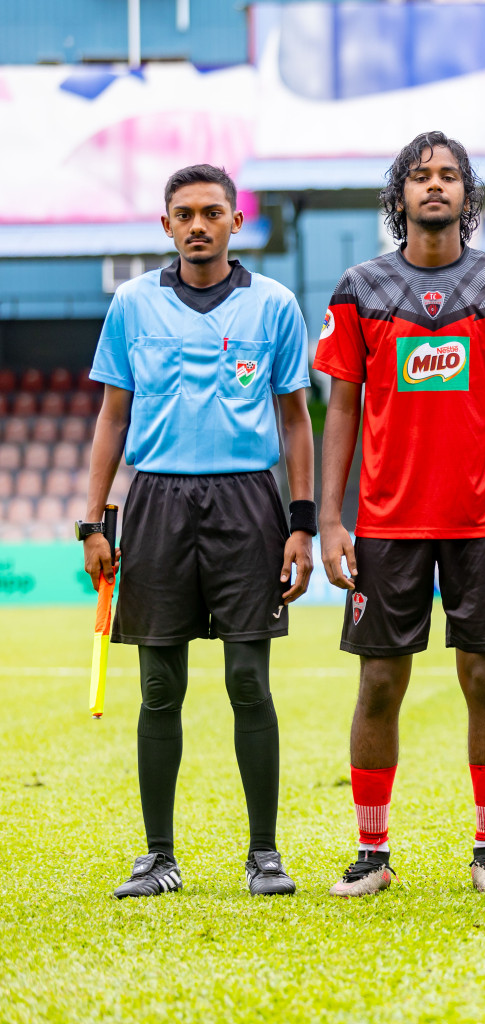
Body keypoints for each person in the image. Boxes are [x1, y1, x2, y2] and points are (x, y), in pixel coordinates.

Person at [82, 163, 314, 898]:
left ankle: (264, 856)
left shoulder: (274, 305)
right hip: (154, 503)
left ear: (235, 221)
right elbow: (112, 417)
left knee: (248, 679)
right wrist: (93, 518)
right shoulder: (132, 304)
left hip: (248, 503)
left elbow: (295, 420)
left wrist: (301, 524)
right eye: (183, 214)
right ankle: (159, 856)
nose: (197, 225)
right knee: (159, 686)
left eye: (212, 212)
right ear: (165, 225)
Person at [315, 132, 485, 896]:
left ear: (467, 196)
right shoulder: (359, 288)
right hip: (385, 522)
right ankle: (372, 854)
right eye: (420, 176)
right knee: (379, 681)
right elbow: (341, 406)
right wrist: (330, 521)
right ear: (399, 194)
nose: (434, 186)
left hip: (482, 522)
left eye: (449, 176)